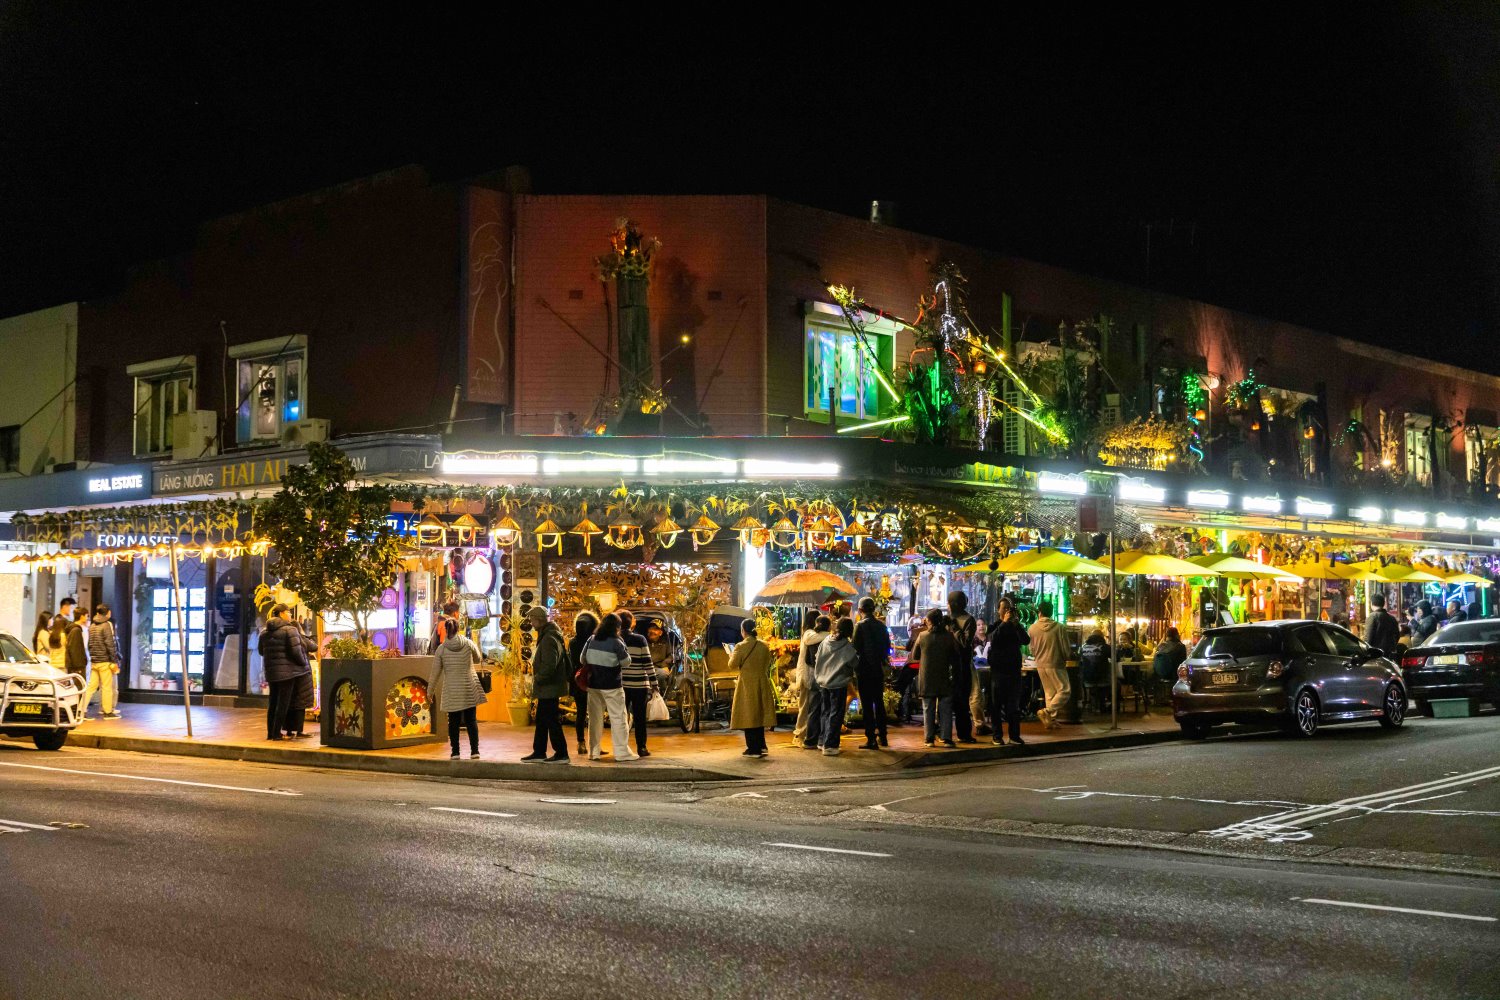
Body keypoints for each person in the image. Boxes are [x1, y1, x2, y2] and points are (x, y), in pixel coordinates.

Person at [582, 613, 638, 761]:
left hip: (593, 685)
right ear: (617, 627)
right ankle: (621, 752)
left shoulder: (591, 639)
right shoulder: (616, 642)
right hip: (612, 685)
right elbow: (626, 662)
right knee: (618, 718)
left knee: (594, 719)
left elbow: (582, 659)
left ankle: (594, 752)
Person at [431, 618, 485, 760]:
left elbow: (435, 672)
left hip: (452, 690)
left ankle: (455, 752)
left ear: (445, 630)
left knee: (453, 722)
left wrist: (429, 691)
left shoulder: (441, 649)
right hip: (468, 687)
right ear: (458, 629)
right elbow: (478, 658)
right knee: (471, 721)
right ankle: (475, 751)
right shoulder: (467, 643)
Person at [522, 607, 569, 762]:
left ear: (539, 620)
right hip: (549, 687)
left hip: (550, 687)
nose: (531, 623)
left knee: (551, 720)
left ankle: (561, 753)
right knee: (542, 720)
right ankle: (539, 751)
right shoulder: (549, 635)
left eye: (532, 619)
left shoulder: (549, 638)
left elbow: (550, 664)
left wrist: (538, 678)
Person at [258, 604, 309, 741]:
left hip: (272, 672)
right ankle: (277, 734)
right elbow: (296, 652)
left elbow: (261, 651)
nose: (290, 615)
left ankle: (271, 733)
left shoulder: (264, 632)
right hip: (287, 673)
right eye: (288, 612)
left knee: (273, 703)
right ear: (281, 613)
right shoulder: (290, 630)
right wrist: (303, 663)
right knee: (283, 704)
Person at [728, 618, 776, 757]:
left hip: (747, 683)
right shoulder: (764, 645)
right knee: (759, 713)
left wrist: (731, 654)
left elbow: (732, 664)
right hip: (762, 680)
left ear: (743, 631)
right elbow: (768, 662)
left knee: (748, 715)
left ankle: (753, 749)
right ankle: (761, 745)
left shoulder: (740, 646)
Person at [812, 617, 858, 756]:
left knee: (825, 712)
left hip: (823, 681)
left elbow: (817, 657)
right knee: (835, 713)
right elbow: (854, 663)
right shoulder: (846, 646)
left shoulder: (826, 641)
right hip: (838, 683)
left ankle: (822, 741)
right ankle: (830, 745)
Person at [617, 610, 659, 758]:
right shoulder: (640, 639)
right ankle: (641, 747)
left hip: (621, 684)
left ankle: (622, 746)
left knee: (622, 716)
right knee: (640, 717)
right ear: (632, 623)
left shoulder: (616, 639)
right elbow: (648, 663)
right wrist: (654, 683)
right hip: (640, 684)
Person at [913, 609, 957, 747]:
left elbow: (915, 655)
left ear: (929, 621)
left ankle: (929, 738)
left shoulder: (922, 636)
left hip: (927, 677)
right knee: (945, 707)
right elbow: (955, 658)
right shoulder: (949, 636)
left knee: (928, 708)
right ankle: (946, 738)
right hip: (944, 676)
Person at [986, 599, 1028, 745]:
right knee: (996, 705)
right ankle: (997, 736)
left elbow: (1026, 640)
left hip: (1014, 671)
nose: (1006, 611)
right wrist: (1004, 622)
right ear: (999, 610)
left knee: (1013, 706)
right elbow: (993, 639)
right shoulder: (995, 626)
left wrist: (1016, 625)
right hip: (998, 672)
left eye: (1009, 609)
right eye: (1004, 608)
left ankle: (1014, 735)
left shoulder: (1016, 627)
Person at [851, 597, 890, 749]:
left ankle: (871, 739)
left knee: (867, 705)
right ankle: (883, 736)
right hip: (878, 669)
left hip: (864, 669)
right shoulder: (881, 626)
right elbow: (887, 647)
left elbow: (855, 648)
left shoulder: (859, 626)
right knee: (879, 703)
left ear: (860, 611)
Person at [1027, 600, 1069, 729]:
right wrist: (1066, 656)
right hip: (1056, 662)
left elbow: (1031, 649)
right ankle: (1048, 711)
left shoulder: (1032, 628)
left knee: (1049, 692)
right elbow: (1065, 648)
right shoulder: (1059, 627)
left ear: (1039, 612)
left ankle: (1051, 721)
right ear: (1051, 612)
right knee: (1065, 690)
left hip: (1040, 663)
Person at [79, 603, 122, 721]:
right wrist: (114, 660)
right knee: (107, 687)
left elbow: (90, 644)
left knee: (90, 687)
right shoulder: (106, 625)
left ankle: (81, 711)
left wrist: (92, 657)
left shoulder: (92, 626)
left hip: (94, 662)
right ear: (107, 613)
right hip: (105, 661)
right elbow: (110, 643)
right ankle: (108, 712)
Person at [793, 615, 831, 749]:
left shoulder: (811, 636)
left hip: (813, 676)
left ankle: (809, 738)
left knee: (812, 708)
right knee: (820, 708)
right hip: (822, 676)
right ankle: (814, 738)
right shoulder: (814, 635)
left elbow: (810, 659)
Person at [947, 592, 978, 743]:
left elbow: (966, 643)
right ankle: (944, 734)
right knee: (947, 702)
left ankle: (964, 733)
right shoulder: (947, 619)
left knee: (962, 702)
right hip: (947, 665)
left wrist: (953, 627)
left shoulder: (968, 620)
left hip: (962, 666)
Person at [567, 611, 598, 756]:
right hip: (593, 680)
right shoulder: (595, 641)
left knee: (581, 713)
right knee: (594, 714)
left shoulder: (573, 642)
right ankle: (594, 745)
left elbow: (572, 662)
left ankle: (581, 743)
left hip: (578, 681)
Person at [1079, 629, 1112, 712]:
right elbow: (1116, 657)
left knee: (1094, 683)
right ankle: (1103, 704)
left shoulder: (1083, 647)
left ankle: (1092, 703)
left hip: (1086, 678)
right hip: (1102, 678)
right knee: (1114, 683)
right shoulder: (1105, 647)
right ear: (1102, 637)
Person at [1152, 627, 1188, 691]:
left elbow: (1154, 656)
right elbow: (1184, 662)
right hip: (1173, 676)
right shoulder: (1180, 646)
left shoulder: (1161, 646)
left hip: (1159, 675)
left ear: (1167, 636)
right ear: (1177, 635)